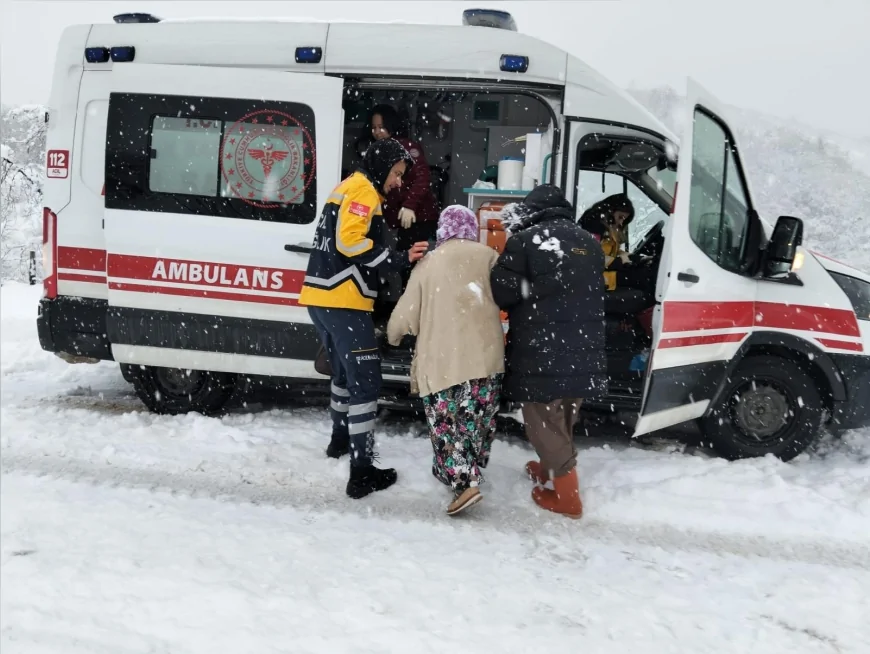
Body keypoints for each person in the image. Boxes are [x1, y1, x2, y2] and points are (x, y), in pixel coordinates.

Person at [298, 138, 430, 500]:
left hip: (319, 297)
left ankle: (339, 442)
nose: (398, 182)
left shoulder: (344, 187)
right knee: (366, 383)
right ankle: (361, 473)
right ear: (383, 164)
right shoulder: (363, 189)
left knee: (342, 374)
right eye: (397, 173)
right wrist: (398, 259)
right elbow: (350, 242)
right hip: (344, 300)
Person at [490, 184, 607, 519]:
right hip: (583, 346)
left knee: (542, 420)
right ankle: (549, 469)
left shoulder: (526, 241)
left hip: (542, 347)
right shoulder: (589, 242)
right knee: (564, 413)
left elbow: (503, 292)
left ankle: (569, 500)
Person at [387, 205, 505, 516]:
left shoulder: (429, 263)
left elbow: (404, 317)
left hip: (444, 362)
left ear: (443, 231)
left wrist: (392, 336)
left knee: (447, 426)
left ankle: (464, 484)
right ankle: (468, 469)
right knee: (475, 420)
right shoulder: (490, 257)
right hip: (487, 360)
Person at [370, 104, 440, 251]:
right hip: (403, 222)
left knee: (413, 262)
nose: (377, 132)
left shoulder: (406, 147)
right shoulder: (378, 150)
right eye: (374, 128)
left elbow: (422, 176)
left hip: (420, 218)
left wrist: (409, 205)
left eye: (381, 127)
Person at [579, 194, 654, 314]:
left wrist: (635, 258)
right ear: (610, 211)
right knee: (642, 280)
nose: (620, 222)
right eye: (620, 217)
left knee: (642, 275)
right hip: (593, 280)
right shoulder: (593, 225)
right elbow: (591, 255)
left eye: (624, 219)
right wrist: (617, 262)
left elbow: (610, 251)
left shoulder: (608, 227)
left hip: (603, 274)